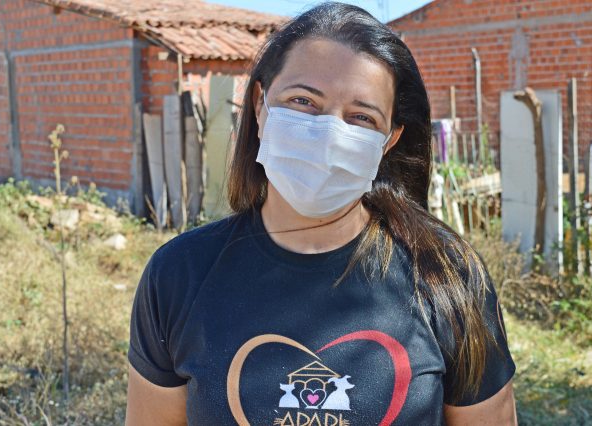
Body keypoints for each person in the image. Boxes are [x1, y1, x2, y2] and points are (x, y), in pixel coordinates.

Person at [125, 3, 516, 425]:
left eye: (361, 117)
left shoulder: (445, 274)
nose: (329, 133)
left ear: (389, 140)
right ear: (259, 105)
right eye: (303, 101)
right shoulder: (180, 273)